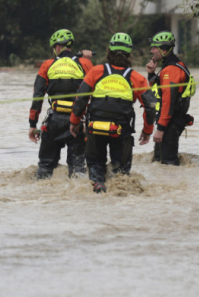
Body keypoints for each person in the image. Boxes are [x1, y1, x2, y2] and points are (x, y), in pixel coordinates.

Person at [69, 32, 156, 193]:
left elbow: (80, 99)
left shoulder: (96, 71)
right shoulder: (137, 78)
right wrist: (147, 131)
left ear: (109, 51)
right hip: (121, 130)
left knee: (95, 165)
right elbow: (151, 106)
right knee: (121, 172)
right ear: (129, 55)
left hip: (95, 127)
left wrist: (74, 122)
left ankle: (98, 185)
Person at [29, 29, 94, 179]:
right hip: (77, 122)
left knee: (45, 167)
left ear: (57, 47)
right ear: (70, 46)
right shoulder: (85, 63)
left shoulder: (47, 65)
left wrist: (33, 124)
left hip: (54, 122)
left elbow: (37, 97)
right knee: (78, 169)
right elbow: (95, 90)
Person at [146, 31, 195, 166]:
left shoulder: (171, 70)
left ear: (164, 49)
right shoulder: (168, 66)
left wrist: (160, 128)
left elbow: (168, 101)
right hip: (168, 120)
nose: (151, 51)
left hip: (170, 122)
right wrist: (151, 74)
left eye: (154, 47)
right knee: (158, 160)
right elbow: (158, 90)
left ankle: (175, 186)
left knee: (168, 164)